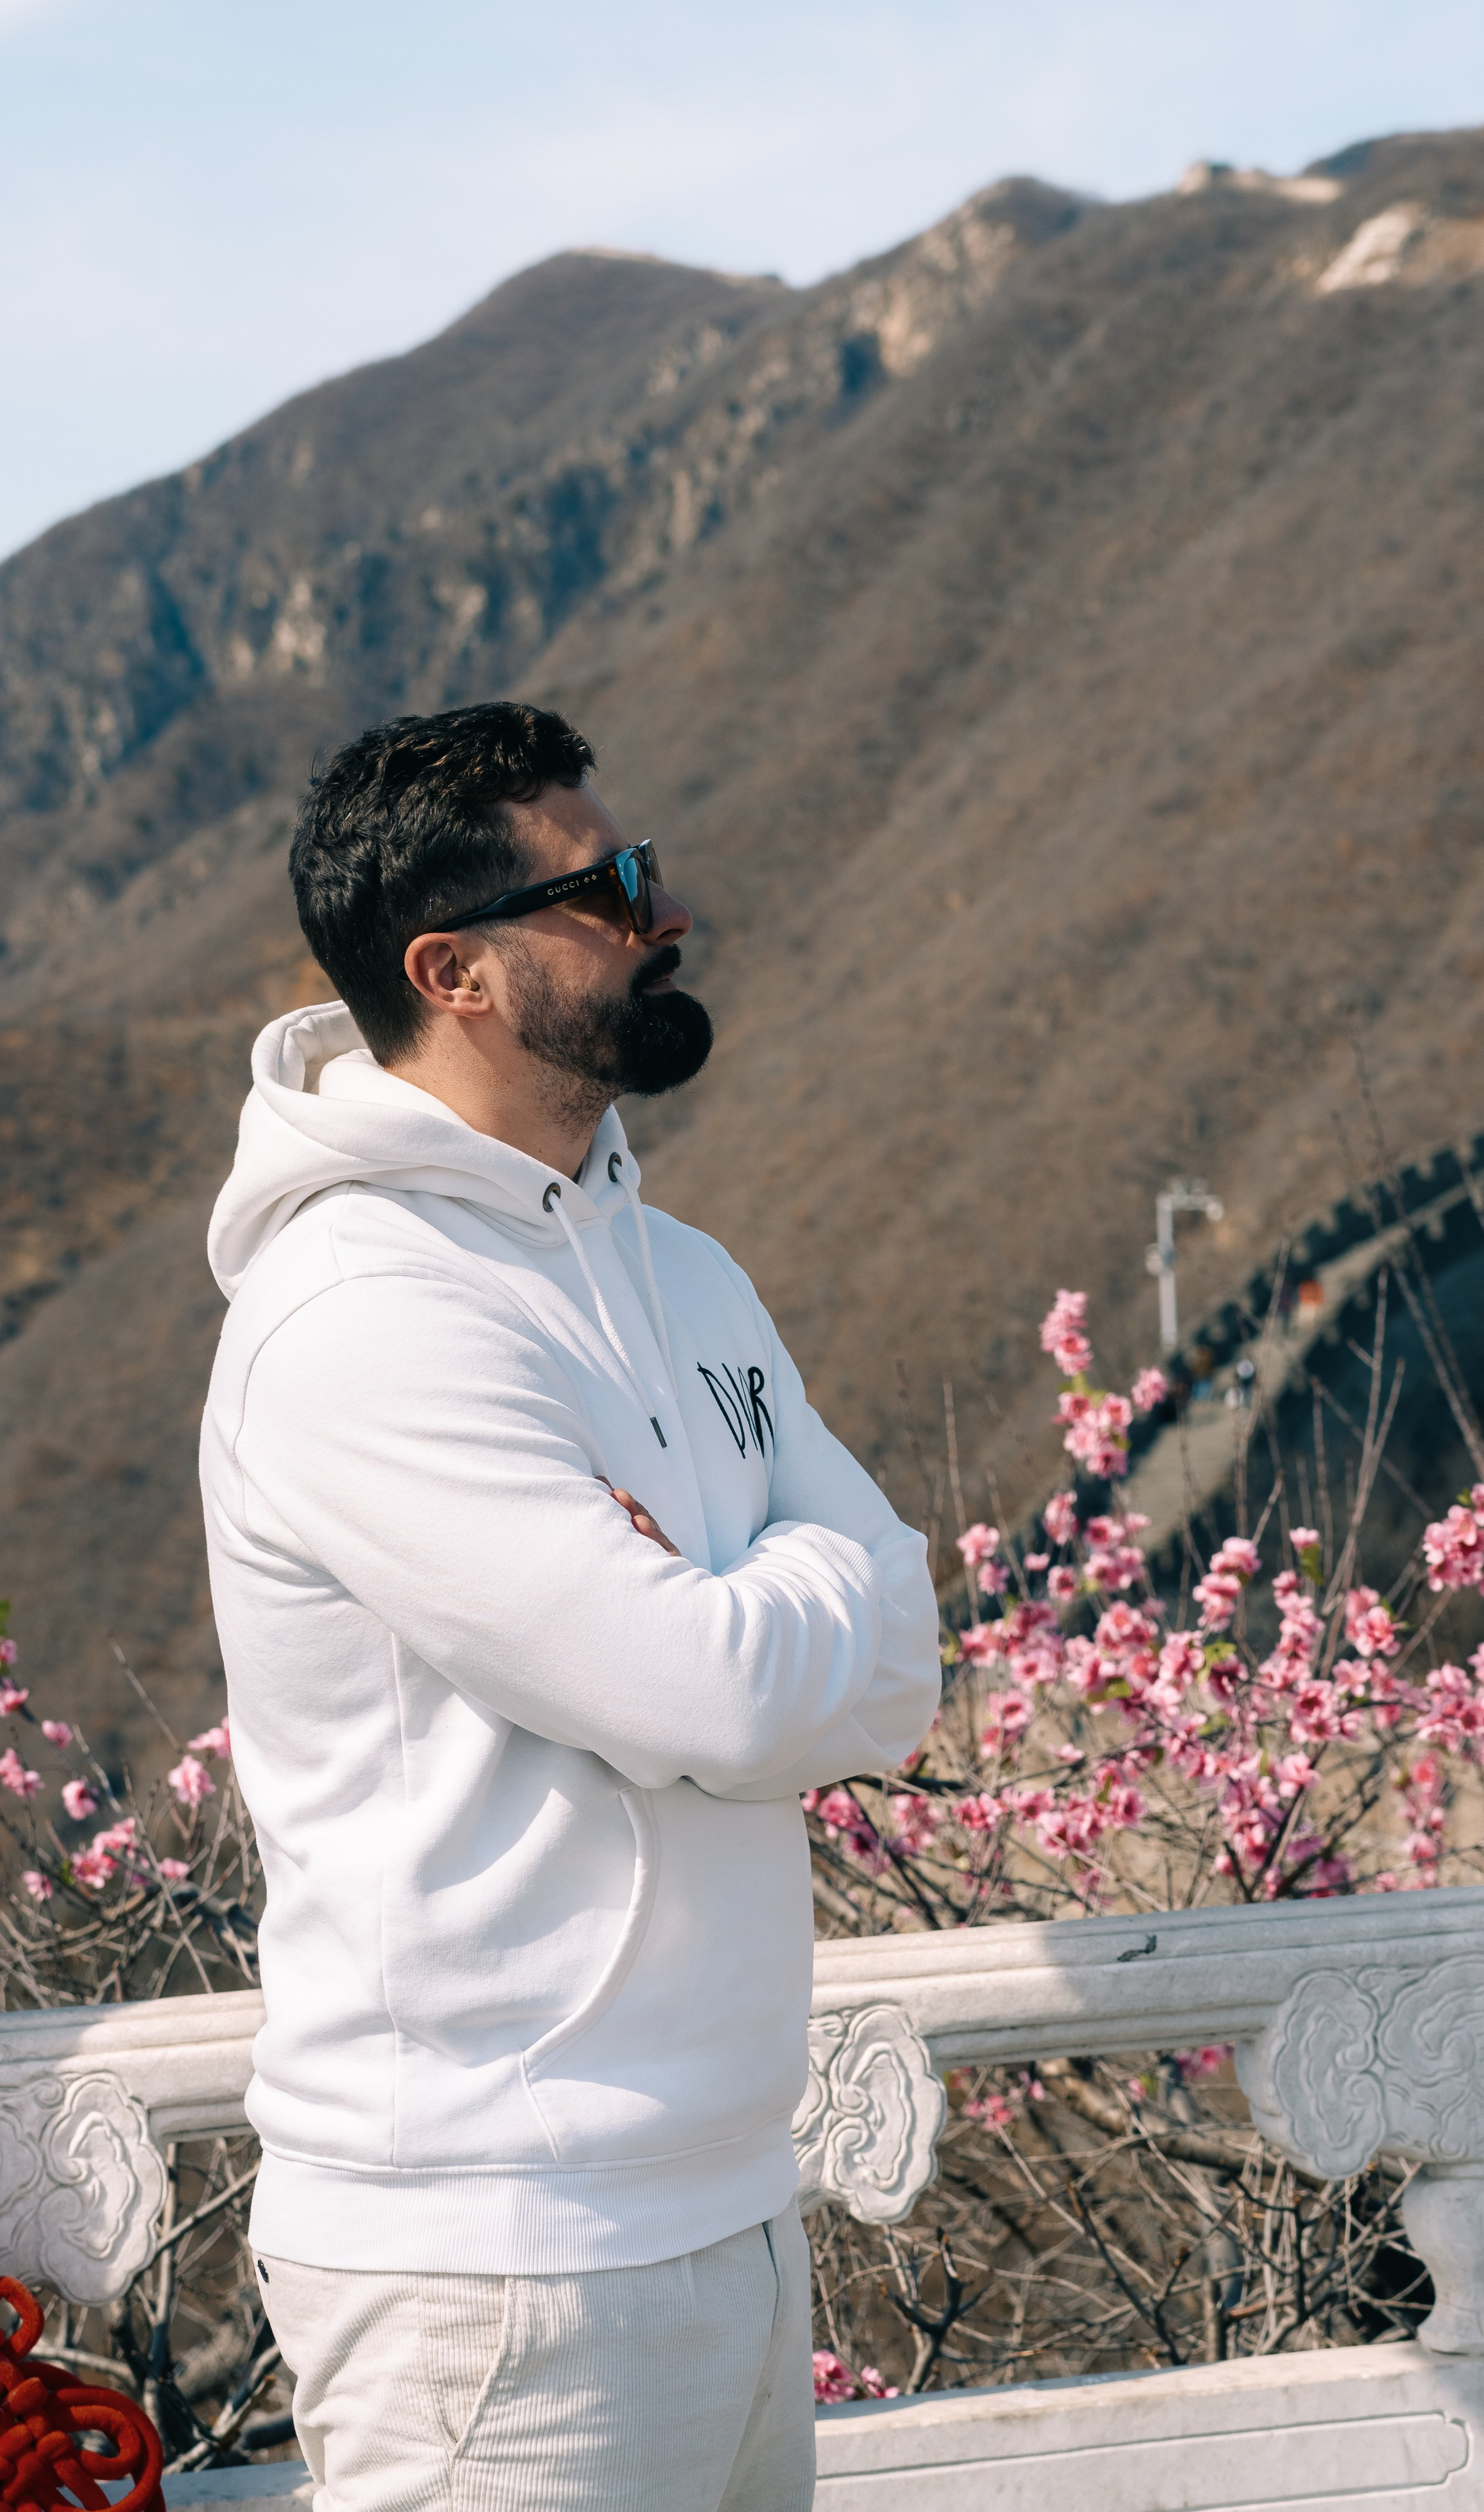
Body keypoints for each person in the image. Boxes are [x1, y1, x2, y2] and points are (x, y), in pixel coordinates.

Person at [198, 701, 940, 2512]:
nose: (662, 911)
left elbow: (897, 1643)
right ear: (451, 970)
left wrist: (761, 1602)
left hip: (732, 2200)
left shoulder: (678, 1272)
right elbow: (724, 1701)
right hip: (493, 2272)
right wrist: (761, 1599)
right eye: (606, 888)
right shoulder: (364, 1319)